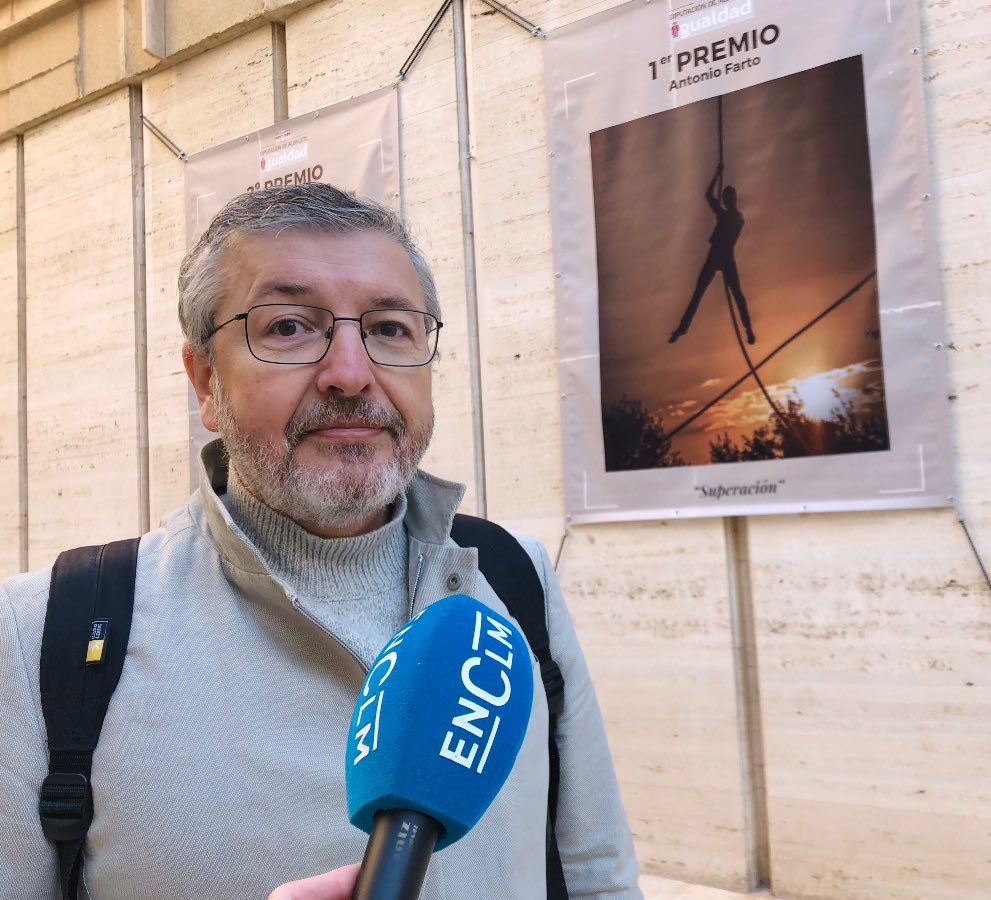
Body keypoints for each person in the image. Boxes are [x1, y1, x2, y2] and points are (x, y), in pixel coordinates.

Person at [0, 183, 643, 899]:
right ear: (205, 381)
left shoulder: (517, 581)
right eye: (288, 328)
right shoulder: (40, 636)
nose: (349, 373)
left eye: (391, 328)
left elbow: (597, 874)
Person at [668, 162, 755, 345]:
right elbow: (709, 197)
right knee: (703, 294)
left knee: (730, 294)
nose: (725, 201)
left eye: (726, 198)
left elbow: (708, 196)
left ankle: (748, 329)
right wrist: (717, 176)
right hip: (719, 255)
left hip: (720, 255)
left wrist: (717, 175)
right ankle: (682, 330)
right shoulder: (734, 217)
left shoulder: (732, 217)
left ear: (731, 199)